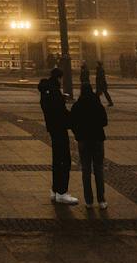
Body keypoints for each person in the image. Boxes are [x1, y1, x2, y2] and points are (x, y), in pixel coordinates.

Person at [70, 72, 108, 209]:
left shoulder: (77, 105)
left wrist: (78, 134)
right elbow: (105, 121)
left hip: (83, 141)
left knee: (86, 170)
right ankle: (102, 200)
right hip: (97, 139)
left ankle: (89, 201)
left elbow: (72, 122)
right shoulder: (97, 104)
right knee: (98, 169)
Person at [39, 66, 76, 202]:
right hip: (59, 128)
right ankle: (62, 192)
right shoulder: (54, 92)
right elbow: (60, 113)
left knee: (56, 160)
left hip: (52, 128)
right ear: (59, 78)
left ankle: (55, 190)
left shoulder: (45, 91)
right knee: (64, 160)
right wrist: (73, 120)